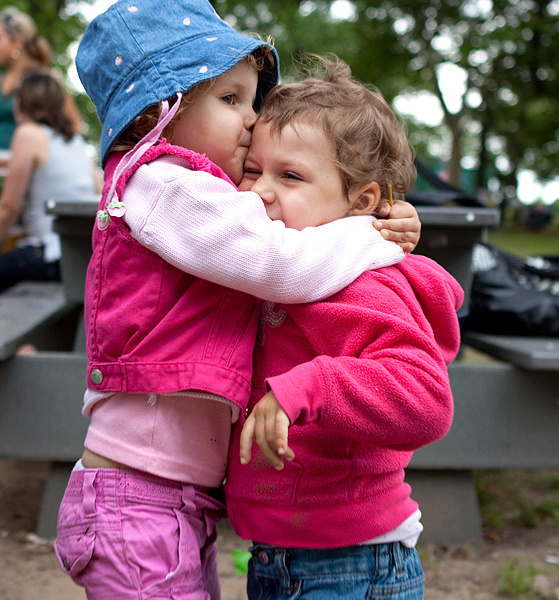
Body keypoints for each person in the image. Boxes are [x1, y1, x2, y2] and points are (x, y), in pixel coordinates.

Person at [53, 2, 421, 599]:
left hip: (168, 495)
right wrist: (369, 232)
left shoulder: (199, 192)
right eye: (230, 100)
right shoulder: (162, 183)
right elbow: (279, 262)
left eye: (251, 101)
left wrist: (378, 210)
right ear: (158, 106)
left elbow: (294, 214)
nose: (251, 119)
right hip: (139, 491)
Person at [225, 55, 463, 600]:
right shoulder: (280, 268)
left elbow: (426, 399)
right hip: (280, 556)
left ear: (362, 202)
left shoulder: (357, 284)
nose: (259, 192)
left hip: (352, 562)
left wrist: (308, 387)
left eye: (290, 176)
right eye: (253, 170)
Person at [0, 70, 99, 292]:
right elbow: (99, 189)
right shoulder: (75, 140)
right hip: (81, 256)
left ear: (20, 104)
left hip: (49, 255)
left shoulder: (28, 133)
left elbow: (8, 209)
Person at [0, 6, 81, 155]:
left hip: (26, 169)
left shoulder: (43, 79)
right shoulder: (2, 79)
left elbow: (74, 124)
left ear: (17, 42)